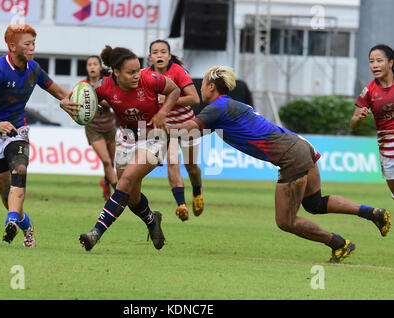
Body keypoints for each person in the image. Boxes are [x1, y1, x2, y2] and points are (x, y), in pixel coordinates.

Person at [172, 65, 391, 263]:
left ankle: (339, 244)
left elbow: (186, 129)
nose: (200, 91)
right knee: (315, 204)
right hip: (302, 145)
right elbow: (193, 134)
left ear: (211, 86)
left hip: (290, 156)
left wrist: (158, 125)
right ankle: (373, 213)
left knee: (285, 221)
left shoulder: (216, 107)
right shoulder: (229, 106)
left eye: (202, 86)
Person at [61, 46, 181, 251]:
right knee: (132, 196)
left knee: (124, 182)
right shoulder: (104, 86)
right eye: (130, 72)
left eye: (137, 70)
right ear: (116, 72)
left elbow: (175, 90)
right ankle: (152, 221)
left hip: (153, 136)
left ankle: (95, 233)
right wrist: (65, 103)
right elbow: (76, 96)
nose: (137, 76)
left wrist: (163, 113)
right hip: (127, 137)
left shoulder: (150, 79)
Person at [0, 24, 79, 247]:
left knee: (19, 168)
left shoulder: (34, 69)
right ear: (12, 46)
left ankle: (10, 221)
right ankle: (24, 224)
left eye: (33, 44)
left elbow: (61, 93)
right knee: (5, 193)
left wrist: (86, 101)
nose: (32, 48)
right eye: (27, 44)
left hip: (17, 129)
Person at [143, 39, 203, 222]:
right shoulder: (144, 75)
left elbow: (195, 99)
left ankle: (197, 191)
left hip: (187, 125)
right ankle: (181, 205)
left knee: (191, 167)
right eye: (156, 52)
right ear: (150, 57)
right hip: (166, 127)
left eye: (163, 52)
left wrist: (169, 99)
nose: (159, 55)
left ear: (169, 56)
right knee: (171, 159)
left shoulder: (178, 72)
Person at [351, 44, 394, 199]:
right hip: (386, 150)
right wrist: (359, 117)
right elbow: (353, 123)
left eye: (379, 60)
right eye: (371, 61)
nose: (374, 65)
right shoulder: (368, 91)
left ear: (390, 63)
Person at [81, 55, 118, 200]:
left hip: (109, 126)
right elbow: (76, 104)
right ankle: (118, 193)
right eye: (89, 64)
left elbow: (114, 102)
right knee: (106, 161)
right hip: (93, 128)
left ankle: (106, 182)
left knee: (111, 161)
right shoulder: (82, 86)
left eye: (95, 64)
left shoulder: (107, 83)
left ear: (100, 67)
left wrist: (98, 101)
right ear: (86, 68)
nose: (92, 67)